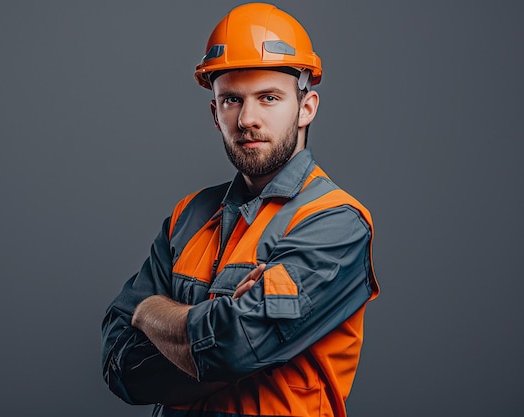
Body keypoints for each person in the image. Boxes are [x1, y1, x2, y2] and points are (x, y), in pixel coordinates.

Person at [101, 3, 380, 416]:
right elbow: (119, 365)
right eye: (232, 100)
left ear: (306, 108)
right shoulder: (188, 216)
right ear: (216, 113)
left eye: (269, 98)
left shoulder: (335, 223)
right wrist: (218, 328)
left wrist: (150, 311)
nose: (247, 119)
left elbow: (233, 350)